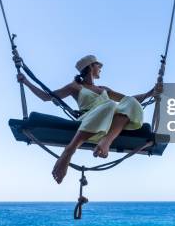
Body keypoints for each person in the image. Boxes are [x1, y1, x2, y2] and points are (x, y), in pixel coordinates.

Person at [17, 54, 161, 184]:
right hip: (88, 120)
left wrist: (150, 93)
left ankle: (106, 141)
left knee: (128, 102)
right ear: (90, 66)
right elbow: (46, 97)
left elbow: (128, 101)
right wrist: (26, 82)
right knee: (110, 104)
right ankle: (69, 151)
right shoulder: (75, 86)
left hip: (108, 126)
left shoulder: (103, 88)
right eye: (99, 65)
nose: (101, 68)